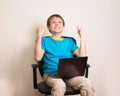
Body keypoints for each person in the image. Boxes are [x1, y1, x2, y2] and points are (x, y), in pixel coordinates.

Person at [34, 14, 95, 96]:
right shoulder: (44, 41)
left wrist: (82, 36)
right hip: (51, 75)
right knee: (59, 85)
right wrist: (39, 37)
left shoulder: (69, 41)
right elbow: (38, 58)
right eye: (54, 22)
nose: (57, 24)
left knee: (87, 83)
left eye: (60, 22)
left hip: (68, 75)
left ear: (63, 26)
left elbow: (82, 56)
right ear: (48, 27)